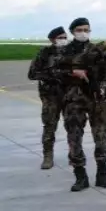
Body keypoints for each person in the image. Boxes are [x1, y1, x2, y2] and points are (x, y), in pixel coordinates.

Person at [57, 18, 106, 191]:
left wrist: (104, 89)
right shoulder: (65, 52)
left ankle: (102, 174)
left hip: (97, 99)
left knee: (101, 137)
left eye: (87, 29)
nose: (84, 32)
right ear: (73, 31)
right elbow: (52, 71)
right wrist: (71, 72)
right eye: (80, 29)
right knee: (74, 138)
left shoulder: (100, 52)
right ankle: (80, 175)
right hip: (74, 101)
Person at [28, 27, 69, 170]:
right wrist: (54, 76)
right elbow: (32, 74)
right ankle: (48, 156)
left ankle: (74, 154)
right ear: (52, 39)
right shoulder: (44, 53)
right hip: (51, 96)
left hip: (70, 96)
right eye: (60, 38)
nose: (63, 40)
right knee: (49, 126)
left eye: (65, 37)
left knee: (73, 126)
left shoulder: (71, 52)